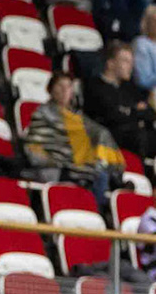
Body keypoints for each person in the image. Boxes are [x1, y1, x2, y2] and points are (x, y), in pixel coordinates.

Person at [24, 70, 124, 204]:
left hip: (78, 165)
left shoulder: (78, 117)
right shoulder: (42, 113)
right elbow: (35, 145)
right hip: (55, 166)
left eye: (68, 86)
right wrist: (64, 160)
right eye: (60, 86)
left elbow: (98, 134)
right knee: (94, 175)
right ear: (50, 90)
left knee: (100, 172)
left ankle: (101, 203)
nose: (65, 90)